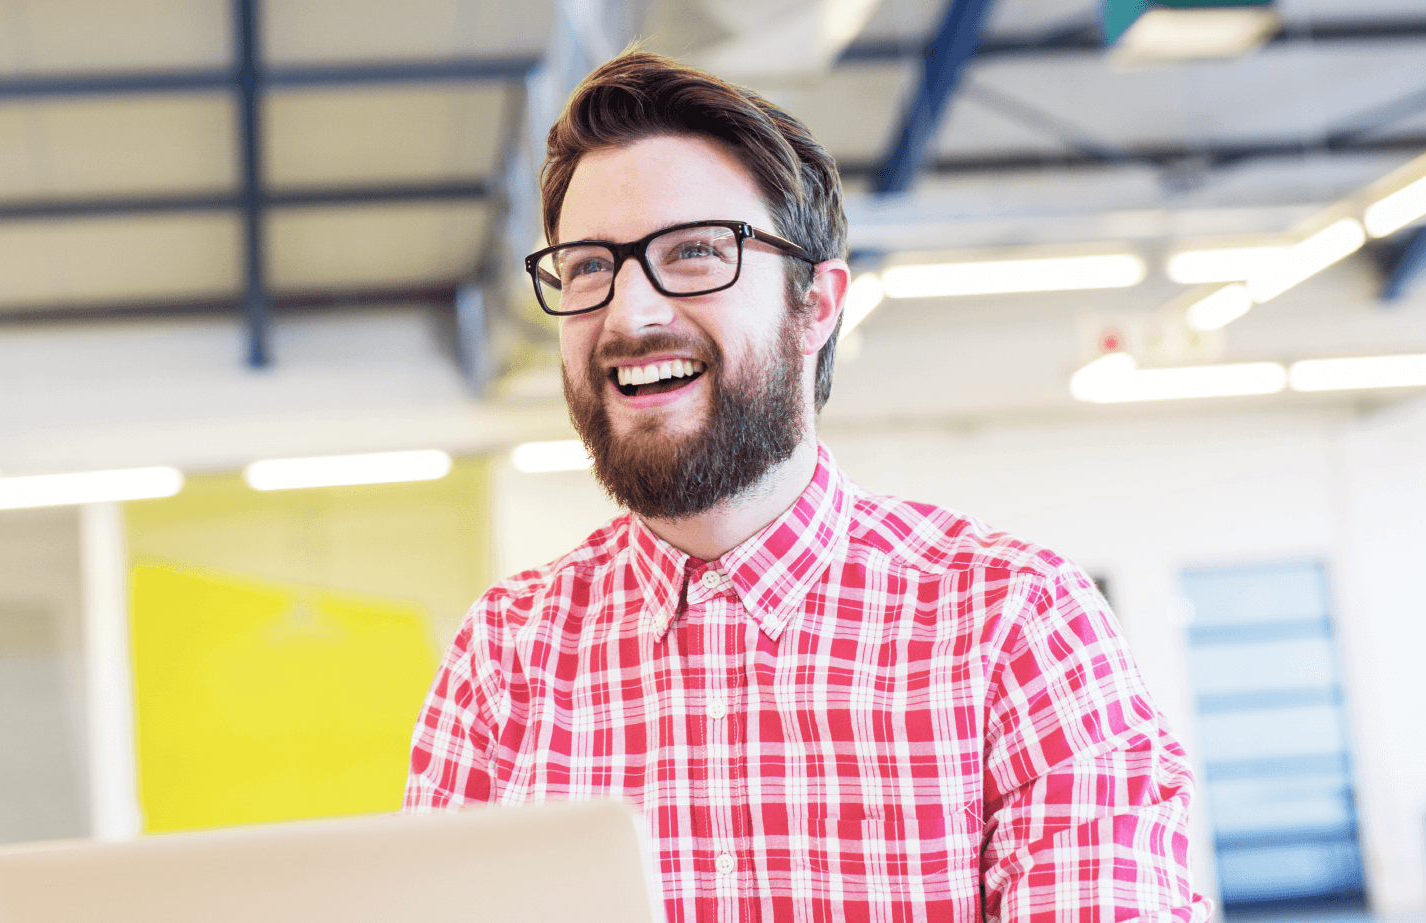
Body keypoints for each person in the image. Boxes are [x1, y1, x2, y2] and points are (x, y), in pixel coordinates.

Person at [404, 51, 1210, 922]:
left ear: (816, 306)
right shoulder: (503, 661)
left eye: (697, 252)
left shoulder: (1017, 628)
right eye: (590, 266)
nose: (631, 315)